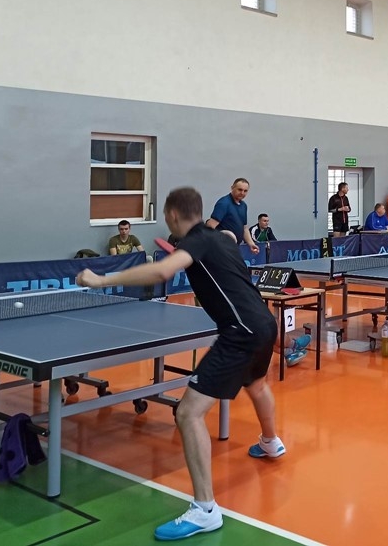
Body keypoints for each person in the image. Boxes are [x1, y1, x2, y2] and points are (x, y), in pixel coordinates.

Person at [76, 187, 280, 541]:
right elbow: (230, 242)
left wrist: (102, 279)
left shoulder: (197, 241)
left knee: (187, 413)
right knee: (257, 384)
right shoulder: (219, 238)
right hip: (263, 323)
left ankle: (205, 510)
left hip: (240, 332)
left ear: (172, 215)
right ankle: (270, 442)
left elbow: (162, 272)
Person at [205, 178, 260, 254]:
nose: (242, 193)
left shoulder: (244, 206)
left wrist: (251, 244)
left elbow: (244, 228)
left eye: (245, 191)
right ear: (232, 188)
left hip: (235, 248)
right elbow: (210, 226)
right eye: (240, 190)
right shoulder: (224, 203)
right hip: (221, 248)